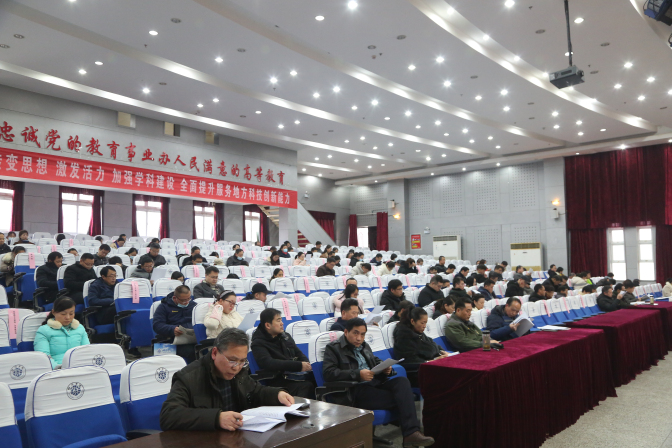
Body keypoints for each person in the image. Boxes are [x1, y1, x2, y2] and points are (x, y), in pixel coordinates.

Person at [323, 318, 435, 447]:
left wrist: (386, 369)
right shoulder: (333, 348)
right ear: (346, 332)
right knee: (405, 398)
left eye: (363, 334)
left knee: (402, 381)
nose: (359, 338)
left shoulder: (364, 346)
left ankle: (411, 434)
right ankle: (411, 433)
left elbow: (375, 361)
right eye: (355, 333)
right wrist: (358, 374)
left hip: (374, 384)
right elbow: (329, 373)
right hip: (355, 391)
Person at [159, 328, 295, 431]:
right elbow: (169, 416)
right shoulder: (189, 377)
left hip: (236, 436)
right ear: (214, 353)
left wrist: (277, 394)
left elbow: (254, 391)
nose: (237, 367)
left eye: (242, 361)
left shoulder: (239, 370)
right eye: (232, 360)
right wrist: (217, 418)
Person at [251, 309, 315, 399]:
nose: (282, 323)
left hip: (294, 375)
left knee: (316, 379)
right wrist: (298, 366)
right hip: (277, 380)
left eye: (281, 320)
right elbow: (268, 363)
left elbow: (299, 353)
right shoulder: (258, 343)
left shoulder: (285, 336)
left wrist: (306, 364)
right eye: (278, 321)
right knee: (306, 386)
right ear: (268, 325)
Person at [394, 308, 448, 386]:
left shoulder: (417, 331)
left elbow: (431, 343)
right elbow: (409, 360)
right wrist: (431, 361)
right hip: (417, 372)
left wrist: (442, 351)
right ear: (412, 321)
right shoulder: (403, 337)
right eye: (422, 323)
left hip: (429, 367)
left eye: (426, 323)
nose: (425, 326)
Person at [34, 296, 90, 368]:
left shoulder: (79, 328)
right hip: (57, 369)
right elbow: (43, 356)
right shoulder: (43, 331)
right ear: (53, 312)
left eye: (71, 314)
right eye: (63, 314)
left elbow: (87, 351)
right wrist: (57, 367)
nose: (68, 317)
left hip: (80, 367)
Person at [153, 285, 197, 362]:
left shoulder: (194, 305)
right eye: (183, 300)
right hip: (172, 339)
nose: (187, 302)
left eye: (188, 299)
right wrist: (172, 329)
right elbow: (157, 325)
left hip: (193, 338)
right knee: (191, 351)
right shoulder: (163, 307)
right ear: (175, 298)